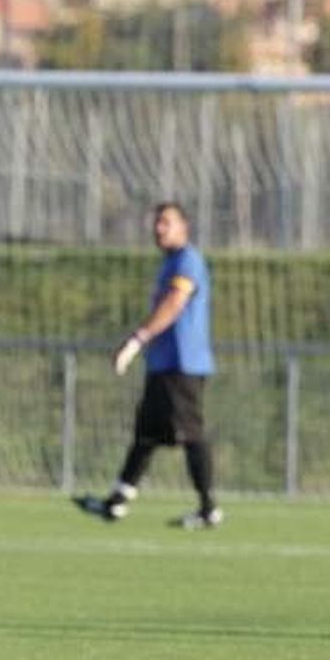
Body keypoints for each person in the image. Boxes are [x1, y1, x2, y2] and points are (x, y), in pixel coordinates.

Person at [76, 202, 221, 529]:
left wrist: (137, 339)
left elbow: (174, 303)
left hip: (183, 364)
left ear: (184, 227)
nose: (159, 229)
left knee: (191, 434)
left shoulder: (187, 260)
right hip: (163, 363)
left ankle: (208, 508)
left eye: (166, 223)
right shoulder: (169, 263)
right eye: (157, 223)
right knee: (147, 434)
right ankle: (116, 502)